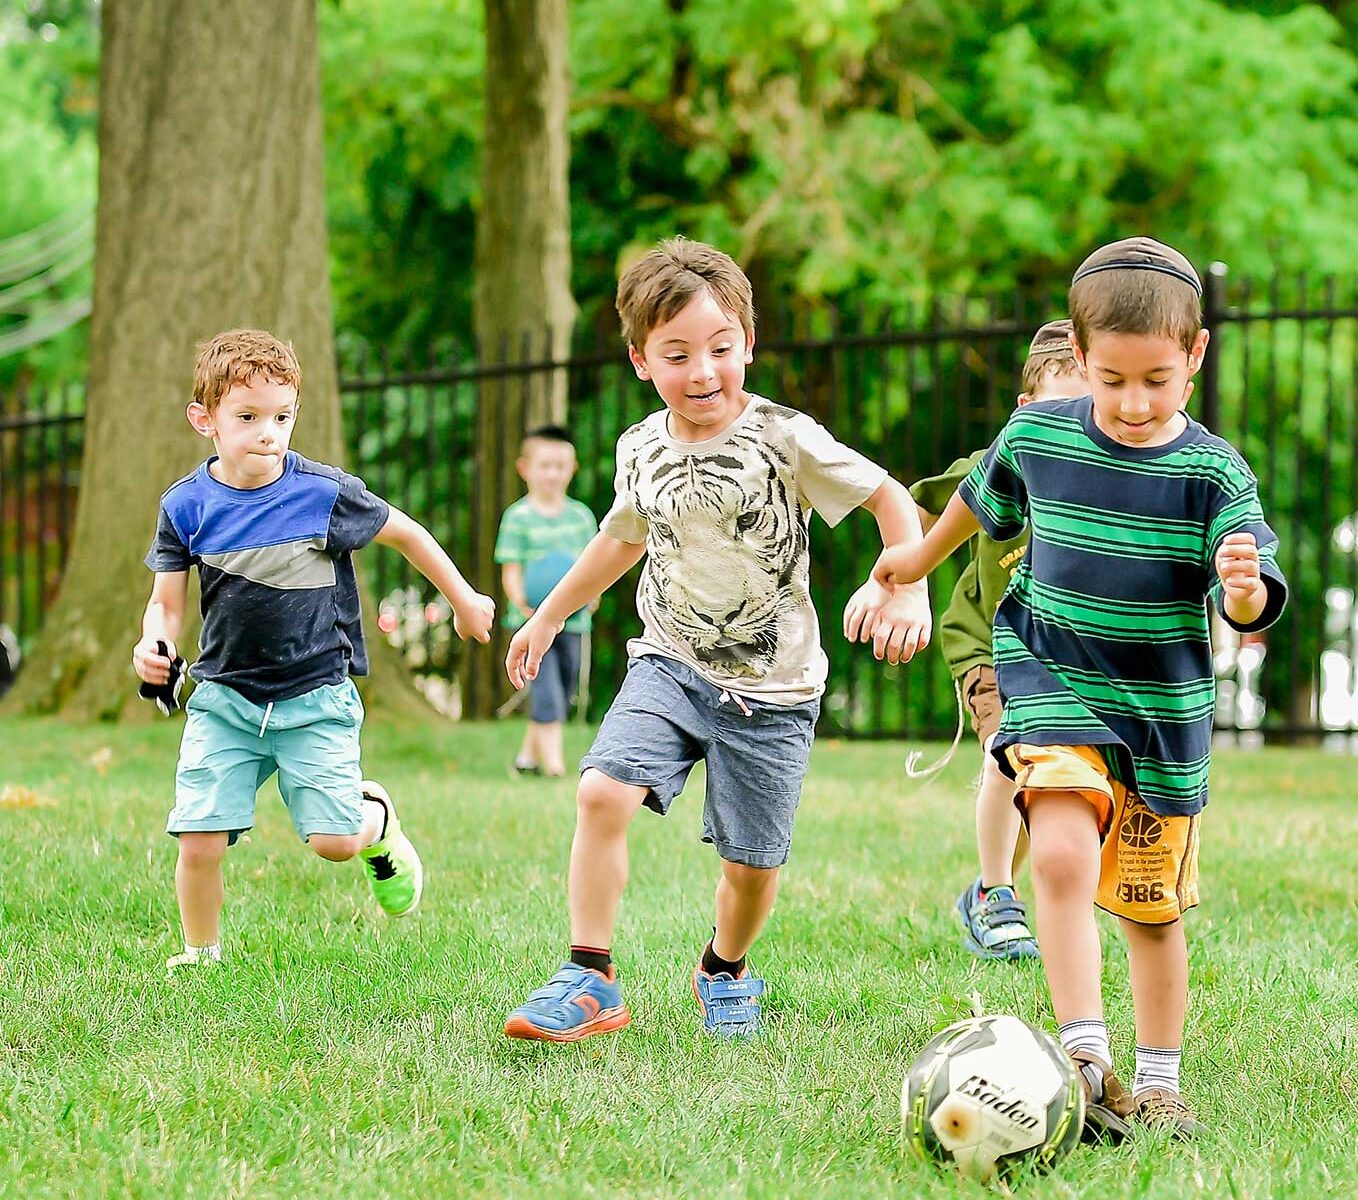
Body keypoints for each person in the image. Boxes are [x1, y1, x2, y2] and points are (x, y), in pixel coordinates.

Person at [869, 237, 1287, 1140]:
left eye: (1157, 380)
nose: (1133, 403)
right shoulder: (1037, 435)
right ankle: (1085, 1054)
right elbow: (978, 503)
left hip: (1161, 717)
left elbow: (1248, 603)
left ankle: (1161, 1076)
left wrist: (1245, 588)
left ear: (1197, 358)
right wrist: (909, 562)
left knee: (1149, 908)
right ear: (1082, 359)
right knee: (1058, 852)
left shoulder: (1215, 474)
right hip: (1050, 674)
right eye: (1110, 380)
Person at [500, 237, 931, 1042]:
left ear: (748, 344)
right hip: (670, 658)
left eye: (720, 349)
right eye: (677, 354)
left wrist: (902, 584)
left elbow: (888, 497)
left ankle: (724, 968)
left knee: (752, 867)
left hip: (775, 687)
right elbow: (622, 539)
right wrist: (549, 613)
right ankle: (589, 975)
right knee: (600, 790)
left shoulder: (785, 435)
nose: (702, 371)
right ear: (640, 360)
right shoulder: (640, 446)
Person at [133, 329, 496, 971]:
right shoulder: (185, 506)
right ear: (204, 420)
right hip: (225, 700)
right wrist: (153, 640)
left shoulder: (323, 492)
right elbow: (166, 600)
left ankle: (374, 821)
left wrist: (464, 598)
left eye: (282, 416)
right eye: (247, 418)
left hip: (315, 696)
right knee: (198, 836)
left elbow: (406, 533)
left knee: (332, 843)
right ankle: (200, 954)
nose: (268, 433)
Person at [908, 318, 1086, 961]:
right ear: (1023, 411)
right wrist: (905, 580)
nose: (1071, 426)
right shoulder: (994, 468)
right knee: (1010, 750)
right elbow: (919, 511)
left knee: (1044, 786)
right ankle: (999, 896)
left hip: (1058, 661)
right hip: (985, 643)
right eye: (1057, 409)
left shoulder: (1102, 485)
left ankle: (986, 885)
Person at [494, 424, 598, 777]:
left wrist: (593, 594)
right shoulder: (518, 517)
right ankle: (554, 767)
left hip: (574, 621)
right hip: (532, 622)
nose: (552, 474)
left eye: (560, 466)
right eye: (545, 465)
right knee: (546, 690)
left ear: (573, 469)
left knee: (563, 689)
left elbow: (594, 564)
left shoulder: (581, 517)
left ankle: (527, 759)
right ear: (525, 468)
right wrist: (521, 602)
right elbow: (510, 569)